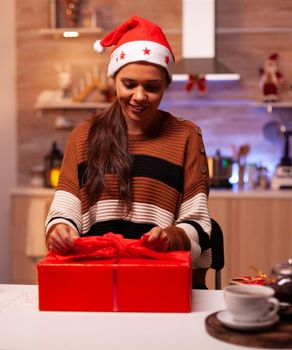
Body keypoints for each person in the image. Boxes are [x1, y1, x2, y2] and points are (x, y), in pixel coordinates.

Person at [45, 16, 212, 288]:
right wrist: (60, 231)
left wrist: (169, 237)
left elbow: (198, 223)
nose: (139, 96)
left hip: (161, 282)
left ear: (166, 86)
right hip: (95, 281)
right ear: (114, 80)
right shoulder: (83, 136)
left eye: (152, 87)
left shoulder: (187, 136)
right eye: (129, 84)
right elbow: (66, 210)